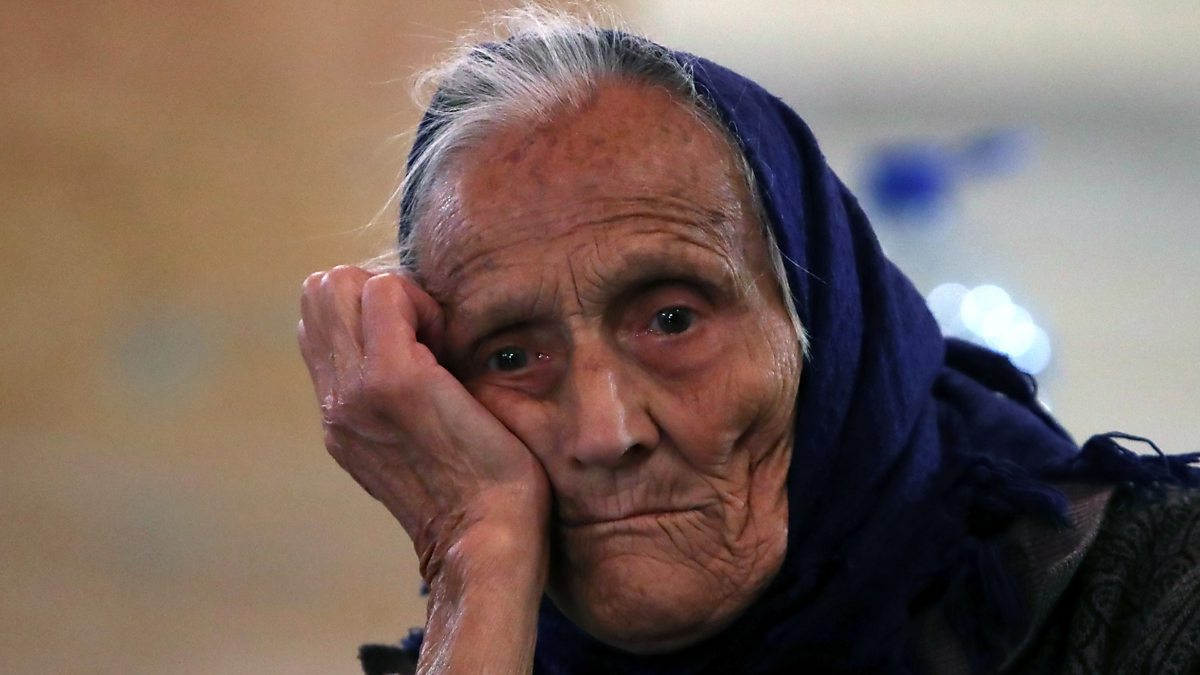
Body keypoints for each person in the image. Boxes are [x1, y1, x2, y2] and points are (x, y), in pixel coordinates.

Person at [297, 8, 1200, 674]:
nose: (607, 430)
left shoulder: (1149, 605)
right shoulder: (473, 647)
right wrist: (474, 559)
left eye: (673, 319)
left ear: (826, 329)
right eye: (511, 355)